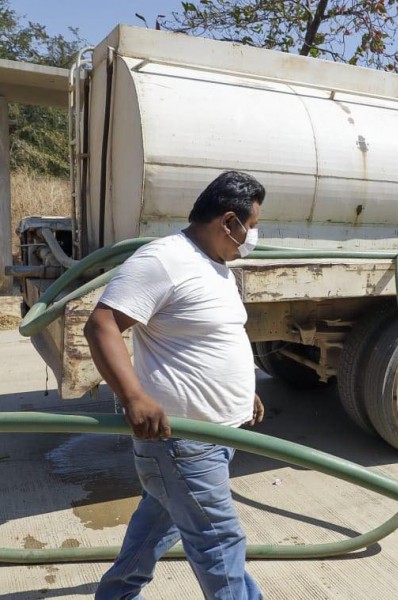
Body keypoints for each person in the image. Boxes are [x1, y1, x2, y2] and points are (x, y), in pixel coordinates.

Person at [84, 170, 266, 599]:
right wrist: (133, 397)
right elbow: (102, 324)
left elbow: (214, 339)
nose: (254, 236)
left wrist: (244, 392)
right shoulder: (164, 260)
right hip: (182, 443)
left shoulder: (216, 266)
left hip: (215, 437)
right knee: (221, 545)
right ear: (228, 222)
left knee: (156, 530)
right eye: (252, 227)